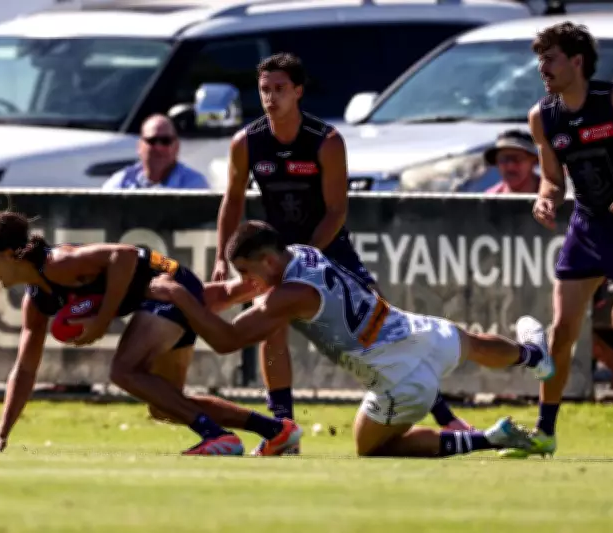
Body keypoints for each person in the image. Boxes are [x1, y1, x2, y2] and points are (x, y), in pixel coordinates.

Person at [212, 53, 470, 455]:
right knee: (270, 329)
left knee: (381, 323)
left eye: (280, 89)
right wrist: (220, 258)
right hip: (275, 254)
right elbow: (232, 201)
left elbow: (336, 211)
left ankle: (445, 416)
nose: (271, 98)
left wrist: (307, 258)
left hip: (327, 246)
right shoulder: (246, 142)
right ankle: (283, 429)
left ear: (298, 91)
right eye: (264, 90)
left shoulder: (326, 140)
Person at [151, 221, 556, 458]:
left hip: (399, 377)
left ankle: (490, 438)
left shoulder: (287, 295)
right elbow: (231, 293)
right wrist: (183, 292)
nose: (245, 280)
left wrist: (179, 299)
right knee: (475, 344)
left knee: (371, 447)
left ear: (268, 261)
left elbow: (227, 340)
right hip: (418, 332)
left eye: (246, 270)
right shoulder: (299, 253)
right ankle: (532, 355)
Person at [0, 210, 301, 456]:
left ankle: (217, 437)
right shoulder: (37, 300)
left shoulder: (59, 262)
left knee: (124, 370)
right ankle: (276, 430)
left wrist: (101, 321)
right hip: (159, 299)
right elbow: (25, 368)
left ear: (11, 255)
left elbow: (124, 255)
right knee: (166, 404)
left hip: (169, 287)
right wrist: (2, 433)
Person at [499, 21, 613, 458]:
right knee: (561, 334)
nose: (542, 67)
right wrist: (546, 199)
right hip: (588, 229)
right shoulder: (543, 117)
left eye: (551, 58)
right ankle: (545, 432)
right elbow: (553, 178)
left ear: (577, 61)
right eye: (540, 59)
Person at [102, 114, 210, 190]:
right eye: (152, 141)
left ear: (176, 146)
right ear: (139, 146)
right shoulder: (121, 183)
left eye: (165, 141)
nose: (158, 147)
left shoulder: (194, 185)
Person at [483, 130, 540, 194]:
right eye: (503, 159)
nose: (510, 165)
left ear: (533, 161)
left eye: (518, 158)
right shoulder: (491, 196)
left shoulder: (548, 194)